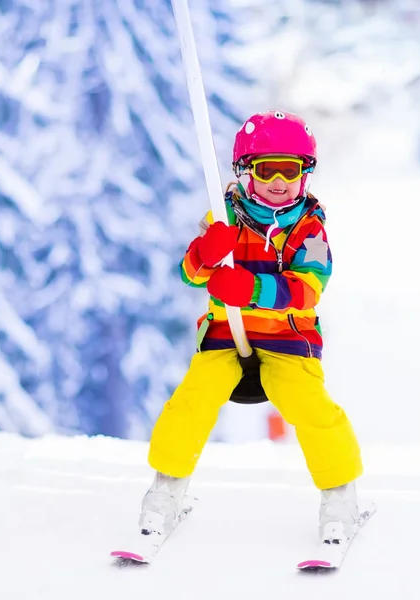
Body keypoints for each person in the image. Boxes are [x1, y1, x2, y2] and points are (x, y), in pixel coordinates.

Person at [140, 110, 363, 542]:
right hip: (225, 337)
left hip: (287, 340)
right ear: (246, 172)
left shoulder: (309, 227)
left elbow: (309, 288)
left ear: (305, 174)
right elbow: (190, 274)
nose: (279, 181)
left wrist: (253, 288)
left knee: (309, 407)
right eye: (267, 170)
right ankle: (166, 488)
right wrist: (206, 252)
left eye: (290, 170)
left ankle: (340, 493)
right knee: (190, 403)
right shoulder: (224, 213)